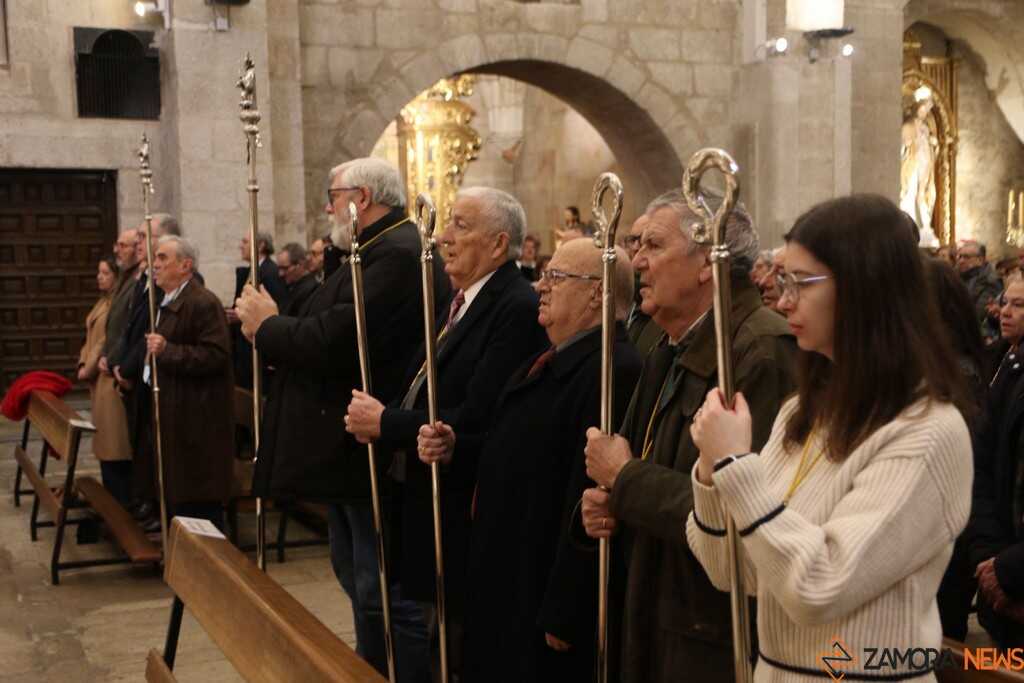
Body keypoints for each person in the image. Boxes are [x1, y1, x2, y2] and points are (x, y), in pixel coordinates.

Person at [686, 194, 972, 680]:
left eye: (801, 282)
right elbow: (734, 572)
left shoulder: (927, 432)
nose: (783, 300)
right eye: (782, 281)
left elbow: (819, 587)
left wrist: (736, 464)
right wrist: (712, 471)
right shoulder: (802, 412)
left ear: (865, 288)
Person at [237, 157, 447, 682]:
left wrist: (269, 328)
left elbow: (336, 337)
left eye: (333, 196)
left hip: (371, 447)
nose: (328, 207)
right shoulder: (365, 251)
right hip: (346, 447)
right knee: (358, 580)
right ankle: (369, 670)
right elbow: (319, 324)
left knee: (381, 589)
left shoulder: (396, 254)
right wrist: (275, 328)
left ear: (363, 198)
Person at [581, 189, 796, 683]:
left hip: (713, 628)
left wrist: (625, 479)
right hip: (659, 605)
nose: (637, 261)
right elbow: (632, 464)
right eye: (636, 246)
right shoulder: (669, 343)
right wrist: (605, 502)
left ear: (706, 262)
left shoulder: (759, 352)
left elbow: (747, 509)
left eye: (654, 246)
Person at [344, 186, 548, 679]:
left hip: (462, 502)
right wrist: (384, 413)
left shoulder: (514, 305)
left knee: (454, 645)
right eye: (448, 223)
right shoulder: (462, 300)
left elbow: (476, 413)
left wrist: (386, 422)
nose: (442, 238)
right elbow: (425, 383)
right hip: (421, 490)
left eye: (461, 225)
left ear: (498, 244)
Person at [417, 238, 642, 682]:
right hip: (506, 571)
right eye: (544, 275)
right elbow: (518, 447)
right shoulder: (548, 358)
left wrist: (566, 607)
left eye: (556, 277)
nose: (541, 286)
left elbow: (587, 497)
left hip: (537, 589)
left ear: (597, 293)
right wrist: (458, 445)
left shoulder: (611, 369)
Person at [924, 257, 986, 641]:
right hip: (941, 528)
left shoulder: (956, 372)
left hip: (948, 532)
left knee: (944, 644)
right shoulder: (941, 363)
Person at [967, 275, 1024, 648]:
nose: (1005, 312)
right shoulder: (1006, 363)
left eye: (1018, 305)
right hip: (1002, 563)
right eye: (1005, 302)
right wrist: (990, 560)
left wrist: (1010, 567)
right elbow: (984, 464)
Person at [78, 257, 133, 504]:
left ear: (116, 276)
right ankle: (111, 501)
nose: (99, 277)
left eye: (105, 273)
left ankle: (119, 503)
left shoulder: (116, 304)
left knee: (114, 445)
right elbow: (89, 337)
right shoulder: (103, 301)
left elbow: (104, 341)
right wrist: (83, 361)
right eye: (98, 272)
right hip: (97, 378)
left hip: (106, 377)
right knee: (105, 444)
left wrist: (87, 369)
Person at [229, 231, 288, 389]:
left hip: (260, 350)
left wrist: (243, 315)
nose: (241, 246)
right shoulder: (252, 269)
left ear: (260, 245)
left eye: (245, 242)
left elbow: (276, 307)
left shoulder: (270, 271)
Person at [623, 215, 663, 357]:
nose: (635, 247)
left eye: (646, 241)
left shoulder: (665, 300)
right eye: (632, 240)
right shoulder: (627, 292)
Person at [958, 240, 1002, 339]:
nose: (961, 261)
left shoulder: (990, 280)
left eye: (966, 257)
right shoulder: (958, 276)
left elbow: (979, 314)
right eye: (960, 256)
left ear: (980, 259)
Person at [276, 242, 318, 316]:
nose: (280, 273)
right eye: (279, 268)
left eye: (285, 268)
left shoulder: (310, 289)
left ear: (300, 264)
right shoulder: (289, 284)